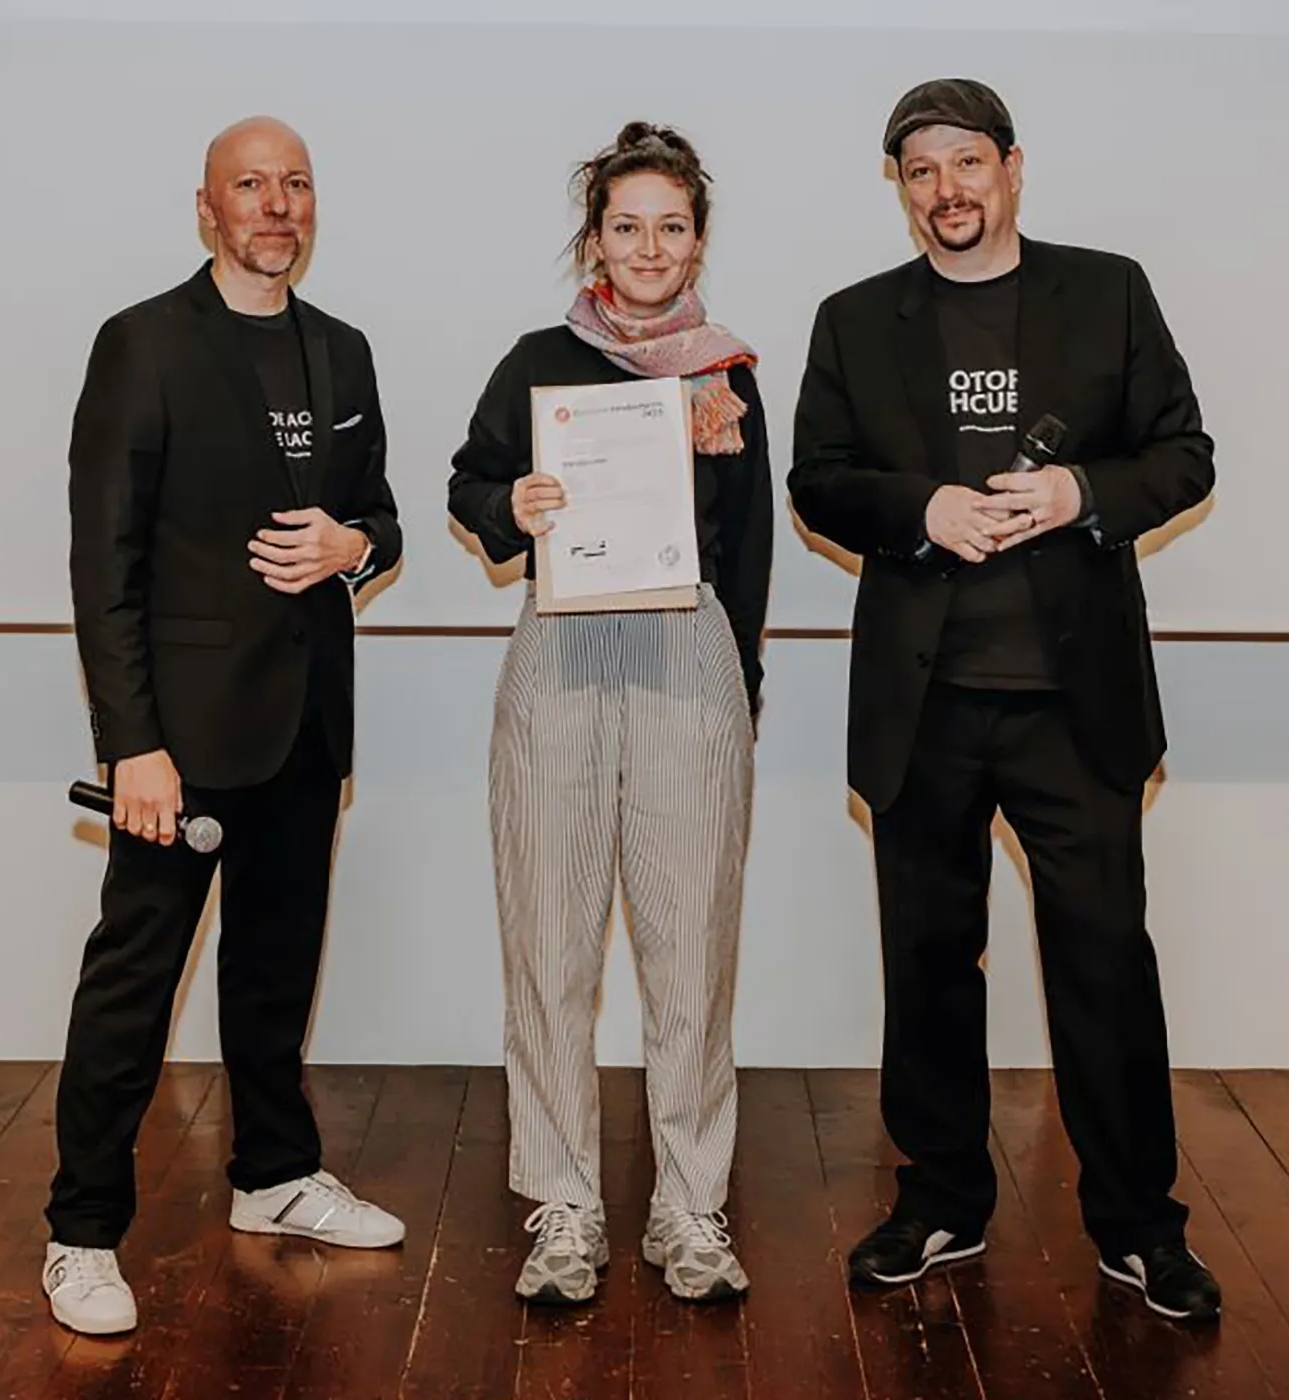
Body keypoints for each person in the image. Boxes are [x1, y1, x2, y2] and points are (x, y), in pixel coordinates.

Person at [786, 78, 1224, 1323]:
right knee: (927, 963)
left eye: (966, 162)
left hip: (1073, 706)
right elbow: (818, 481)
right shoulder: (855, 319)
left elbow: (1182, 451)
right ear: (898, 187)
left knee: (1102, 963)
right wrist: (917, 508)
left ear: (1013, 166)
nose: (947, 190)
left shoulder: (1109, 290)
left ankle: (1139, 1224)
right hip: (921, 707)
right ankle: (937, 1200)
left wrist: (1081, 492)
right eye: (920, 171)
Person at [41, 114, 407, 1337]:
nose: (275, 205)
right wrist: (128, 738)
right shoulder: (141, 344)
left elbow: (382, 520)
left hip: (306, 726)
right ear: (206, 209)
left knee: (272, 971)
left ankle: (275, 1175)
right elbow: (106, 561)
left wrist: (355, 548)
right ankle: (82, 1229)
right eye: (250, 185)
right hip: (179, 743)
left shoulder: (344, 352)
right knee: (133, 983)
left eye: (295, 185)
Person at [446, 121, 774, 1307]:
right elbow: (468, 486)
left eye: (670, 227)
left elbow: (748, 547)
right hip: (561, 645)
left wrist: (741, 688)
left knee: (691, 943)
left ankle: (689, 1207)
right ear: (595, 237)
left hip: (691, 650)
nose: (648, 247)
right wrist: (513, 499)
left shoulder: (725, 371)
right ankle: (565, 1205)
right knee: (548, 939)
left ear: (696, 243)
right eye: (625, 225)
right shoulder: (539, 358)